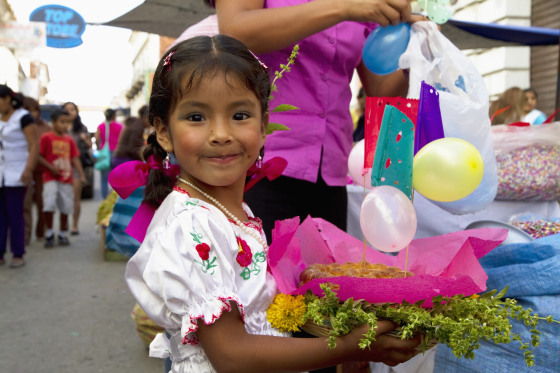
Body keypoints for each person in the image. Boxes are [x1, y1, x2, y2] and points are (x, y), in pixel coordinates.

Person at [124, 35, 421, 372]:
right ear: (163, 132)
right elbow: (231, 355)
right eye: (196, 117)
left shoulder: (229, 210)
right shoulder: (190, 226)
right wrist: (350, 346)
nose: (221, 133)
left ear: (264, 126)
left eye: (239, 115)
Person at [204, 0, 421, 244]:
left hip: (331, 171)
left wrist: (414, 57)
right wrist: (344, 8)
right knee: (258, 277)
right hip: (260, 165)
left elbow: (379, 91)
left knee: (323, 278)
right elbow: (235, 30)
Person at [0, 85, 38, 268]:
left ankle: (18, 253)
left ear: (8, 99)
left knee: (15, 214)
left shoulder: (23, 117)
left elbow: (34, 146)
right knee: (0, 216)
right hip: (1, 172)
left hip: (17, 172)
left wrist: (28, 169)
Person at [38, 108, 86, 248]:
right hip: (49, 178)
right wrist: (50, 167)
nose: (65, 125)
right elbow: (39, 156)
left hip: (66, 178)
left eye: (67, 122)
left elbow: (75, 158)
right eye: (62, 122)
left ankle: (62, 233)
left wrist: (81, 175)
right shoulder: (46, 138)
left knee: (65, 206)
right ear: (53, 122)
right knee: (49, 202)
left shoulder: (69, 140)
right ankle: (50, 232)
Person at [22, 96, 51, 244]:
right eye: (29, 110)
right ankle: (24, 236)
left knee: (42, 203)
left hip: (42, 170)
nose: (32, 113)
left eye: (34, 110)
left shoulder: (45, 126)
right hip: (23, 168)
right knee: (25, 204)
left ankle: (41, 232)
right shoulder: (19, 124)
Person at [63, 102, 92, 235]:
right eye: (67, 110)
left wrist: (85, 139)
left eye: (72, 109)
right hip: (61, 165)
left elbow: (89, 145)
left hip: (77, 165)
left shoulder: (82, 128)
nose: (70, 112)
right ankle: (63, 226)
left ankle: (74, 225)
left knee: (75, 197)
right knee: (62, 196)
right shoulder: (59, 127)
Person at [95, 108, 123, 199]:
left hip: (105, 154)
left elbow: (96, 139)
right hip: (116, 153)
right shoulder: (120, 126)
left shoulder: (101, 126)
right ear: (114, 116)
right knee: (117, 178)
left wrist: (100, 148)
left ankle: (105, 199)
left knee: (104, 179)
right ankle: (115, 198)